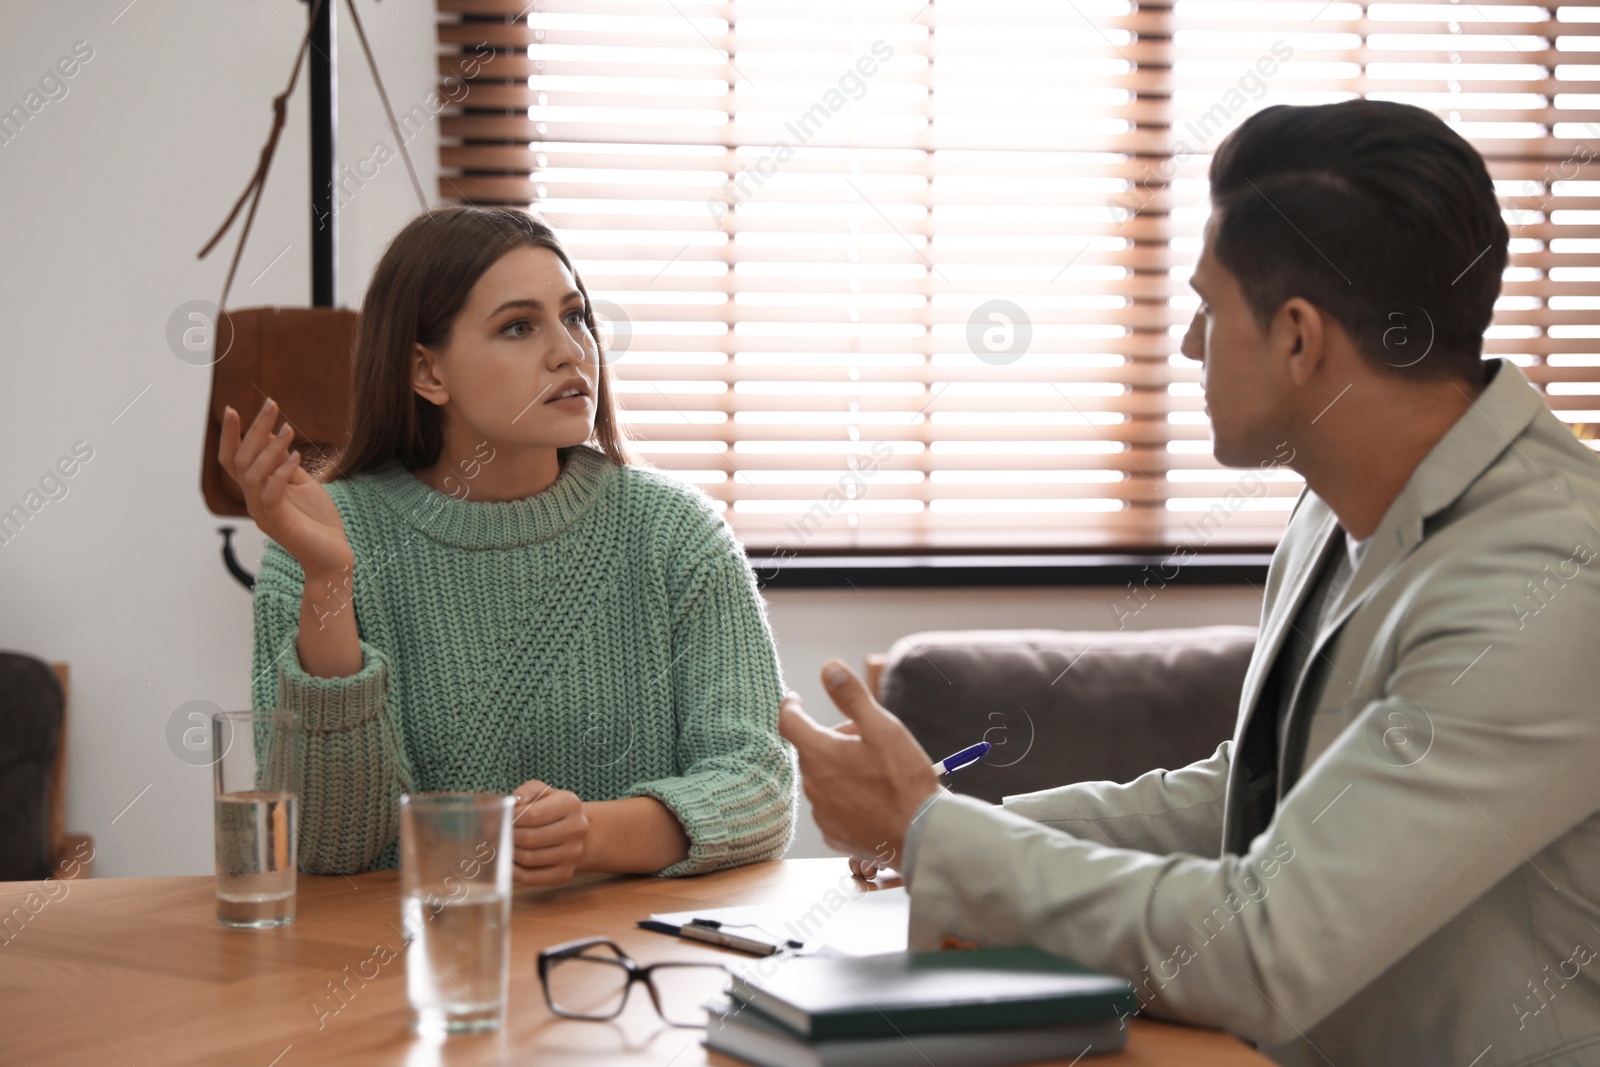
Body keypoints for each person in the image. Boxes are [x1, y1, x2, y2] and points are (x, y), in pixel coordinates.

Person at [779, 100, 1600, 1065]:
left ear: (1299, 339)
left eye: (1208, 308)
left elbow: (1266, 946)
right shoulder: (1335, 510)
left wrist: (931, 838)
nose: (1188, 348)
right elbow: (1259, 795)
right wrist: (940, 822)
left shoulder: (1548, 574)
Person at [219, 206, 795, 885]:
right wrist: (329, 582)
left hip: (630, 965)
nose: (570, 350)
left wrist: (591, 834)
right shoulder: (319, 540)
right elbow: (327, 844)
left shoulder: (677, 535)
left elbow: (757, 788)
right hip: (405, 964)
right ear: (427, 373)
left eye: (575, 315)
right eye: (519, 326)